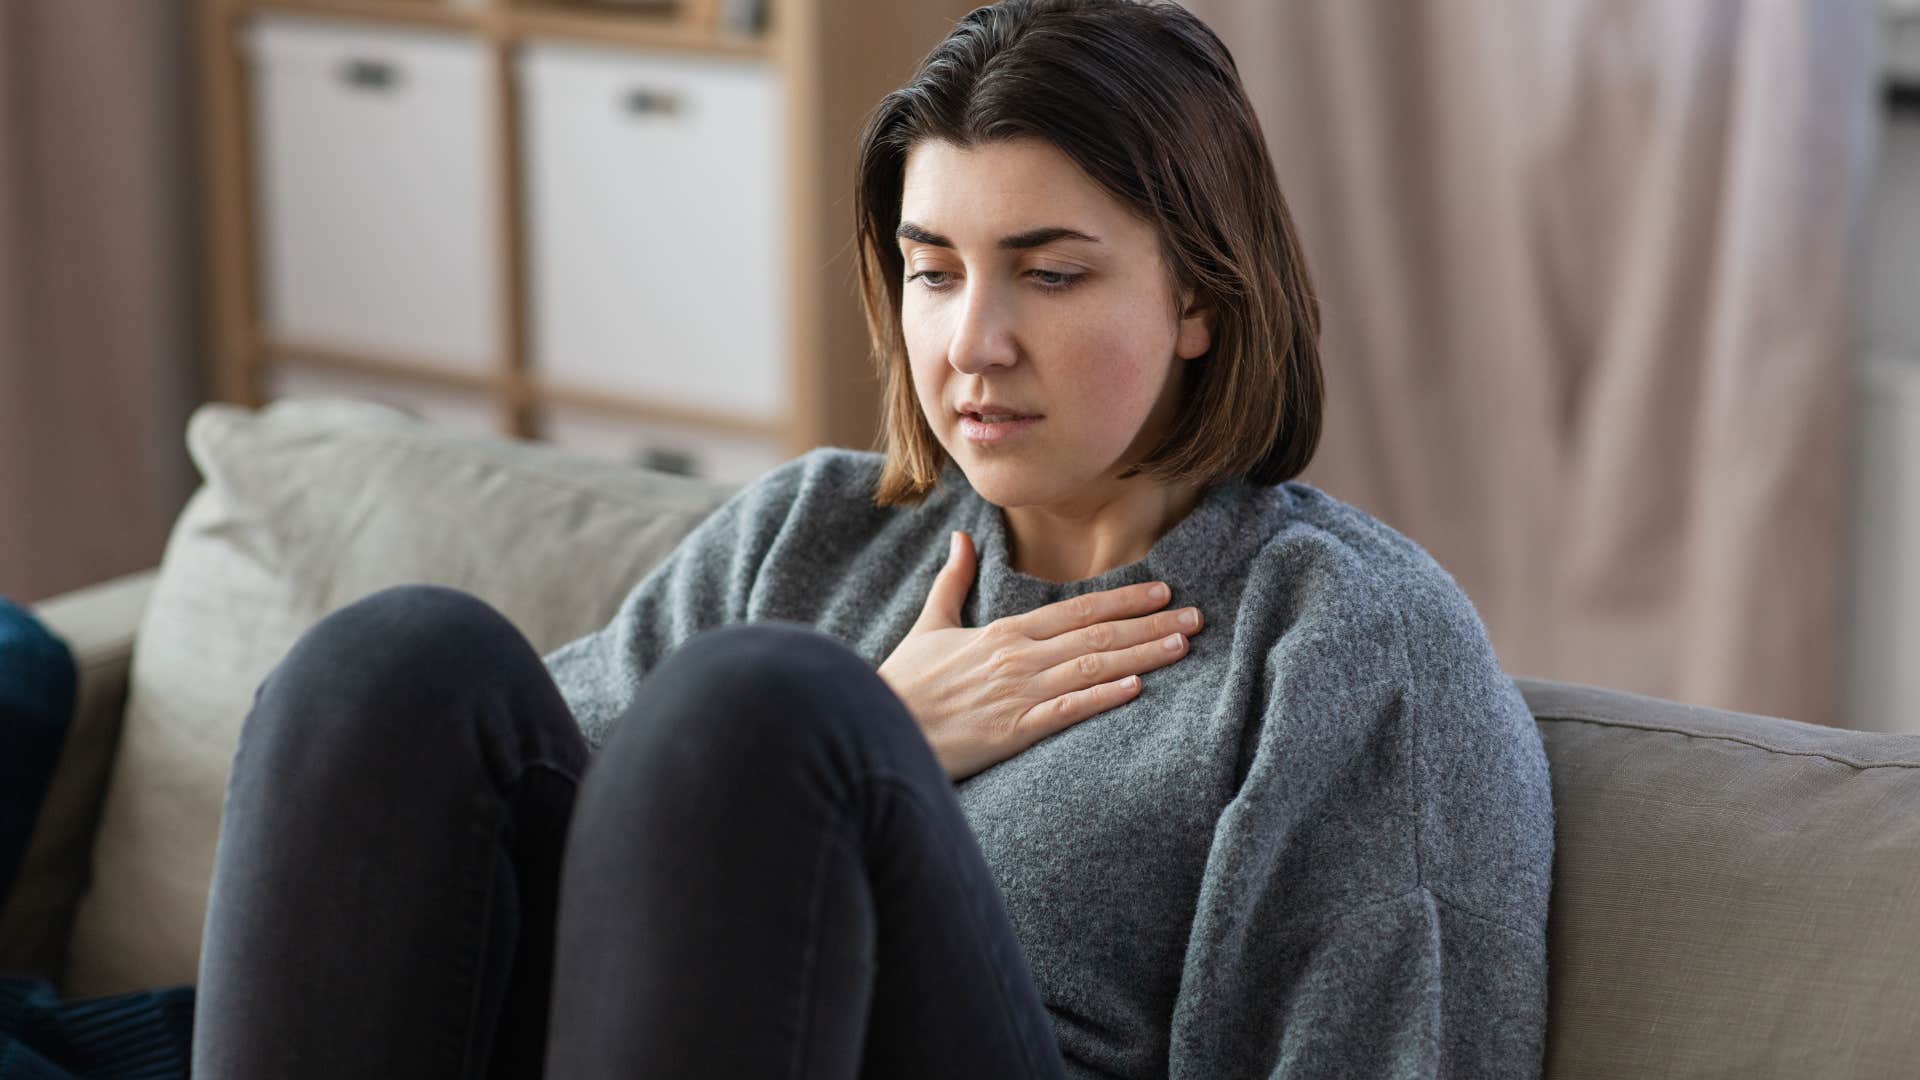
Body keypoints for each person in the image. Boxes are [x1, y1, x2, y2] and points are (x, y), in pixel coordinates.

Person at [191, 0, 1555, 1076]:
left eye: (1052, 272)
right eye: (934, 272)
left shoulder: (1341, 641)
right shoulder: (814, 534)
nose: (974, 345)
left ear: (1202, 296)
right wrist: (898, 724)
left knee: (759, 708)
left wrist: (841, 757)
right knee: (389, 663)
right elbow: (503, 862)